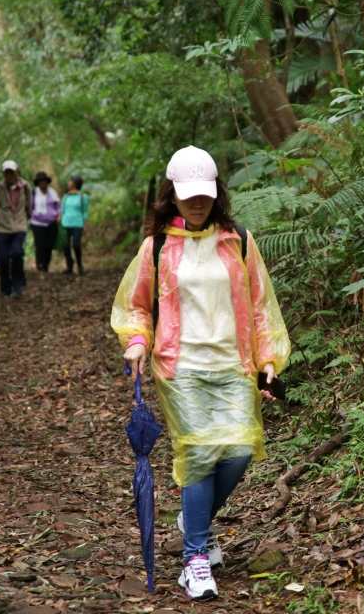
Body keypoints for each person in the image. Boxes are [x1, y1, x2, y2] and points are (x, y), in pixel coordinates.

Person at [111, 146, 290, 600]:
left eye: (204, 195)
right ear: (171, 195)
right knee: (199, 453)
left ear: (216, 194)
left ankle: (195, 519)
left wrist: (269, 361)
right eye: (188, 195)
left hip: (234, 364)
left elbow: (262, 307)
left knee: (240, 449)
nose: (197, 203)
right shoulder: (156, 248)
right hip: (180, 367)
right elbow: (137, 306)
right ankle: (194, 559)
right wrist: (136, 340)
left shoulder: (240, 242)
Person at [0, 160, 33, 297]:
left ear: (17, 172)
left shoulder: (26, 187)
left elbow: (29, 206)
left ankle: (18, 284)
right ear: (3, 173)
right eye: (7, 172)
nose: (9, 175)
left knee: (17, 253)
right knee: (2, 258)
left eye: (12, 172)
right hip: (2, 227)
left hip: (20, 226)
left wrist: (25, 219)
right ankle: (6, 288)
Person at [30, 171, 60, 271]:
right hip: (37, 222)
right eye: (40, 181)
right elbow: (29, 206)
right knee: (40, 244)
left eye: (44, 181)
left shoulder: (53, 192)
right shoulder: (34, 193)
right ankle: (40, 264)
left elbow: (58, 207)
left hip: (51, 222)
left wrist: (59, 216)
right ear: (38, 183)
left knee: (49, 244)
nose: (42, 183)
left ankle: (46, 263)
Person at [60, 175, 88, 274]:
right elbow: (62, 210)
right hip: (66, 224)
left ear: (75, 184)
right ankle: (69, 265)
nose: (68, 183)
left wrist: (85, 225)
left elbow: (85, 212)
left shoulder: (83, 197)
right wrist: (60, 220)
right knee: (66, 245)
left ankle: (79, 264)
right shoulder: (66, 196)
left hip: (77, 224)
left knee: (76, 245)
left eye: (70, 181)